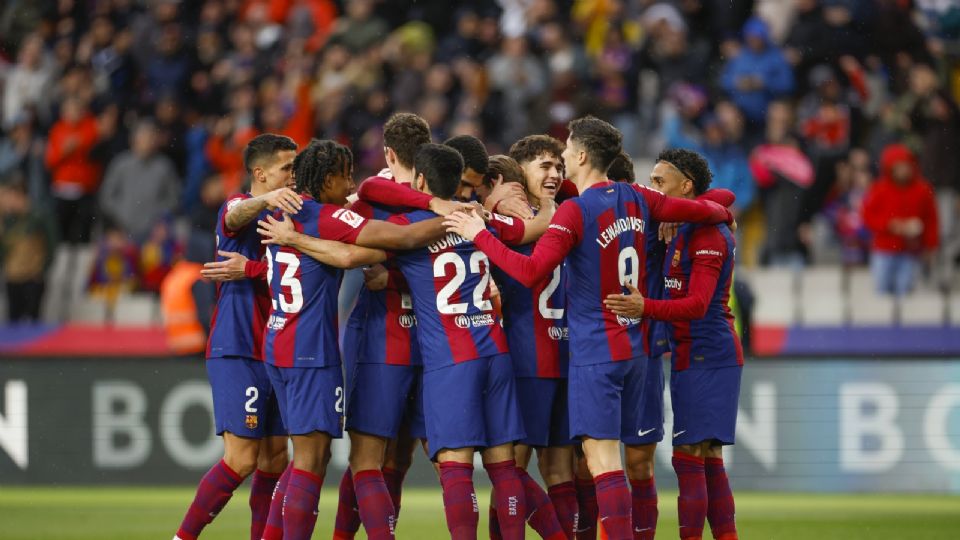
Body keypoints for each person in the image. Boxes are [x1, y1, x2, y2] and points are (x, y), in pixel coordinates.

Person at [443, 116, 732, 540]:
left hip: (596, 354)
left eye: (565, 150)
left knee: (602, 463)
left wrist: (478, 232)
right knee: (610, 463)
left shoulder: (576, 211)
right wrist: (723, 211)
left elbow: (529, 271)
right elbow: (709, 206)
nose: (561, 157)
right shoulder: (639, 198)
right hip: (636, 351)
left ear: (580, 155)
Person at [360, 142, 557, 540]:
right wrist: (550, 206)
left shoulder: (407, 226)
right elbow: (530, 230)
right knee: (504, 468)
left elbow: (366, 197)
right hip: (496, 352)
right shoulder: (480, 220)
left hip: (452, 360)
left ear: (419, 180)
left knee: (456, 467)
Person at [255, 139, 448, 540]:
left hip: (278, 344)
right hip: (310, 352)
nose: (350, 184)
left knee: (307, 458)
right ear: (326, 180)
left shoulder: (282, 210)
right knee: (310, 461)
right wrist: (457, 217)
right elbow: (401, 239)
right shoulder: (327, 217)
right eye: (344, 176)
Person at [605, 148, 744, 540]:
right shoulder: (681, 226)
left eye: (660, 183)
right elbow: (722, 200)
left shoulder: (708, 236)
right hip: (689, 353)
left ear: (686, 186)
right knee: (708, 458)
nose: (654, 191)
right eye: (651, 183)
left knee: (690, 457)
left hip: (709, 353)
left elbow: (698, 304)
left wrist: (643, 306)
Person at [173, 134, 300, 540]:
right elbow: (235, 215)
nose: (293, 177)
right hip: (238, 346)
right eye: (286, 169)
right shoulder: (237, 206)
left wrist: (253, 269)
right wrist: (267, 200)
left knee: (275, 458)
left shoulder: (291, 220)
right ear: (260, 174)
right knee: (241, 458)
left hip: (278, 349)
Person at [492, 135, 578, 538]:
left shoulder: (510, 222)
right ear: (519, 170)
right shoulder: (567, 215)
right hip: (556, 353)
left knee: (511, 467)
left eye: (559, 166)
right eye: (544, 165)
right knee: (554, 468)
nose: (555, 173)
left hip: (532, 355)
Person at [862, 143, 939, 296]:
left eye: (906, 166)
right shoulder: (879, 189)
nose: (903, 171)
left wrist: (930, 245)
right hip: (884, 249)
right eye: (898, 167)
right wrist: (890, 225)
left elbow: (932, 219)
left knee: (905, 292)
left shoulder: (923, 189)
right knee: (882, 292)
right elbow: (867, 216)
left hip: (911, 251)